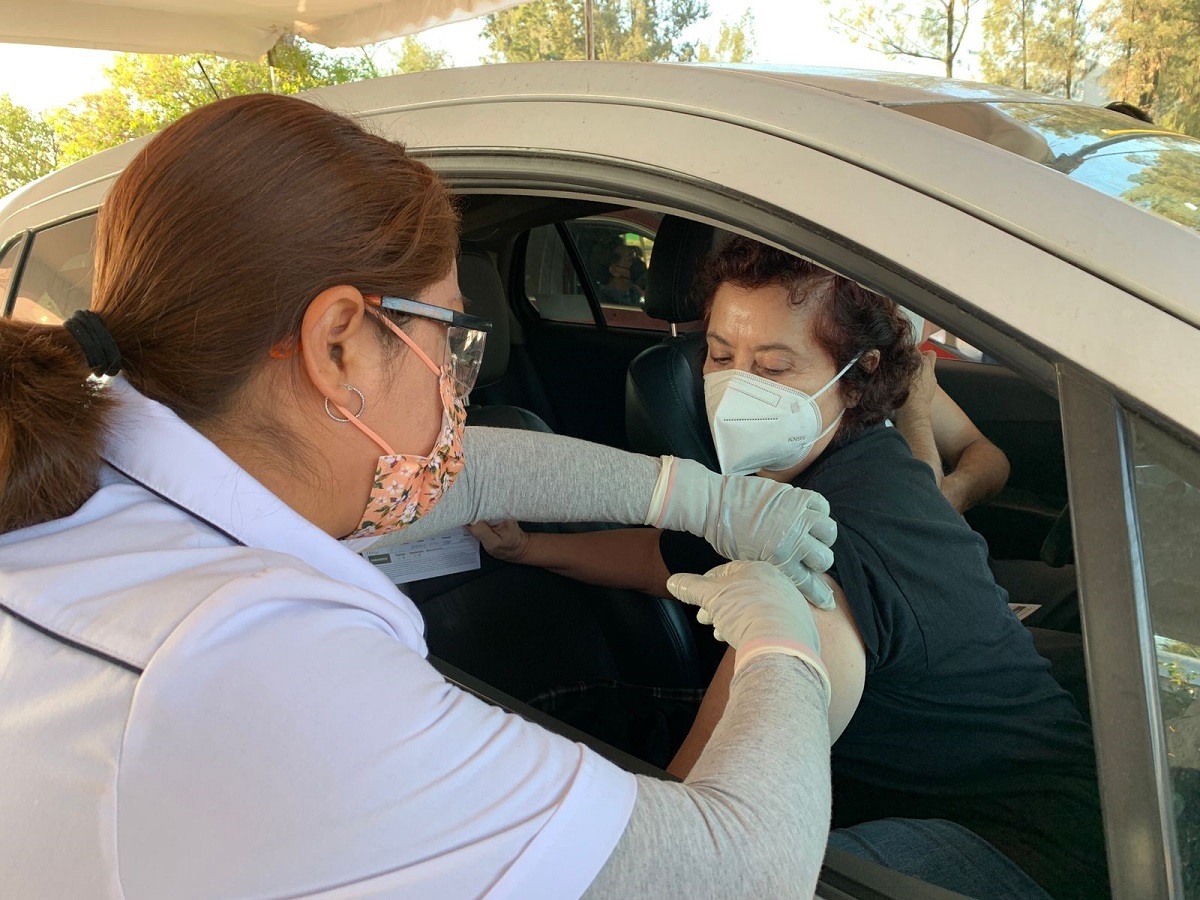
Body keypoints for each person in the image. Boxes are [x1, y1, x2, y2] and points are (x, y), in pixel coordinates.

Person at [0, 94, 855, 899]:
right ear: (339, 347)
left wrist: (700, 500)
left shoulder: (101, 476)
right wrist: (783, 643)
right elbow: (741, 871)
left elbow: (469, 471)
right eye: (448, 333)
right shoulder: (257, 670)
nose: (457, 380)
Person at [473, 237, 1108, 900]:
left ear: (856, 374)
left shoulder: (826, 553)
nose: (735, 388)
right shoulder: (822, 473)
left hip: (1010, 844)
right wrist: (533, 549)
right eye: (720, 355)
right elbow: (667, 555)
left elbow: (698, 842)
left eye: (773, 369)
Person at [894, 308, 1011, 513]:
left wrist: (955, 491)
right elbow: (924, 510)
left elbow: (985, 452)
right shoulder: (832, 385)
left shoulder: (896, 371)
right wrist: (914, 409)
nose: (924, 333)